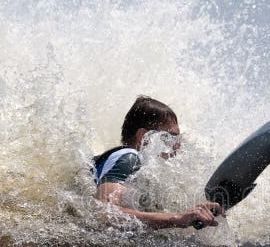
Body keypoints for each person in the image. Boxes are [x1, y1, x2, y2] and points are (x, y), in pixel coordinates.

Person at [93, 96, 223, 229]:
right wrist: (176, 219)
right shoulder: (129, 158)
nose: (177, 145)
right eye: (170, 137)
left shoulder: (147, 170)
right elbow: (104, 212)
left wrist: (195, 212)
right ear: (143, 136)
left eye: (178, 138)